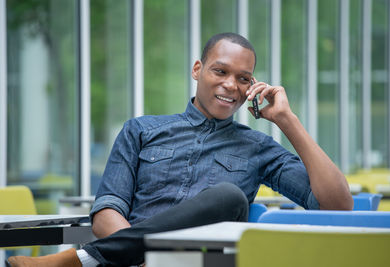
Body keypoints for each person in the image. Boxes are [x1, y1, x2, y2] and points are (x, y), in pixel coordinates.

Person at [7, 32, 353, 267]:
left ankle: (76, 260)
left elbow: (337, 206)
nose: (231, 85)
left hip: (202, 261)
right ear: (198, 70)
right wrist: (141, 257)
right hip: (131, 264)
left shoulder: (259, 147)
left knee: (229, 198)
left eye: (244, 78)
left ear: (252, 86)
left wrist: (287, 120)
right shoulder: (141, 130)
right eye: (220, 71)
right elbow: (106, 211)